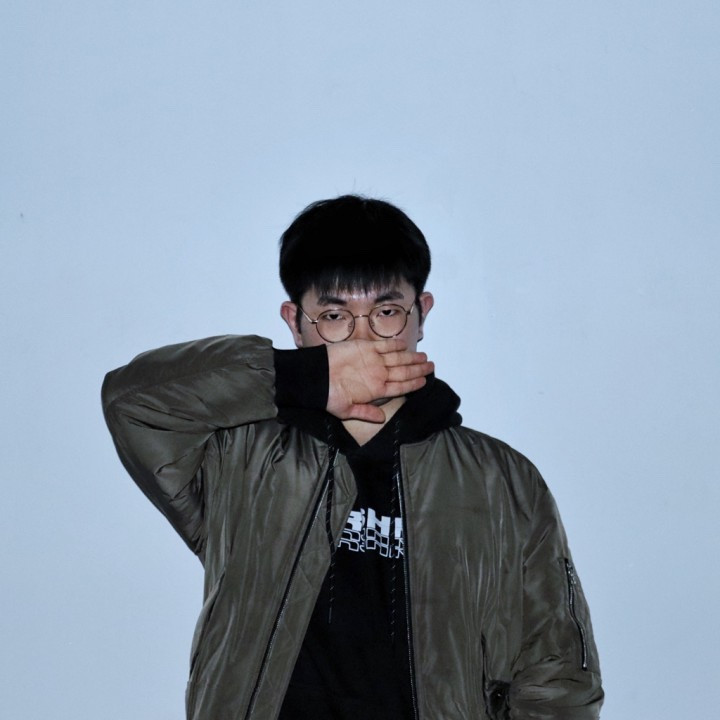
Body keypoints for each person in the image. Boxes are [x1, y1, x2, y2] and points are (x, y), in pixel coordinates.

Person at [102, 195, 603, 720]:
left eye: (386, 312)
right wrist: (302, 377)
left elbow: (559, 675)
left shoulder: (502, 480)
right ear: (295, 322)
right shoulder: (237, 457)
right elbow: (131, 402)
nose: (362, 341)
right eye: (334, 316)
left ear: (421, 314)